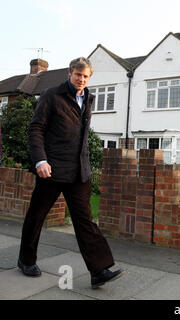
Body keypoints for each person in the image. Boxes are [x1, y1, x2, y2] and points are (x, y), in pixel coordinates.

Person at [18, 57, 123, 289]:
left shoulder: (88, 98)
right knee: (37, 216)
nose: (81, 80)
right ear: (70, 73)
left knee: (85, 221)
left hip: (78, 171)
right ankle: (26, 260)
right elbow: (35, 128)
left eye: (86, 77)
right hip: (51, 170)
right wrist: (40, 160)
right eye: (78, 75)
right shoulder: (51, 95)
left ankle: (99, 270)